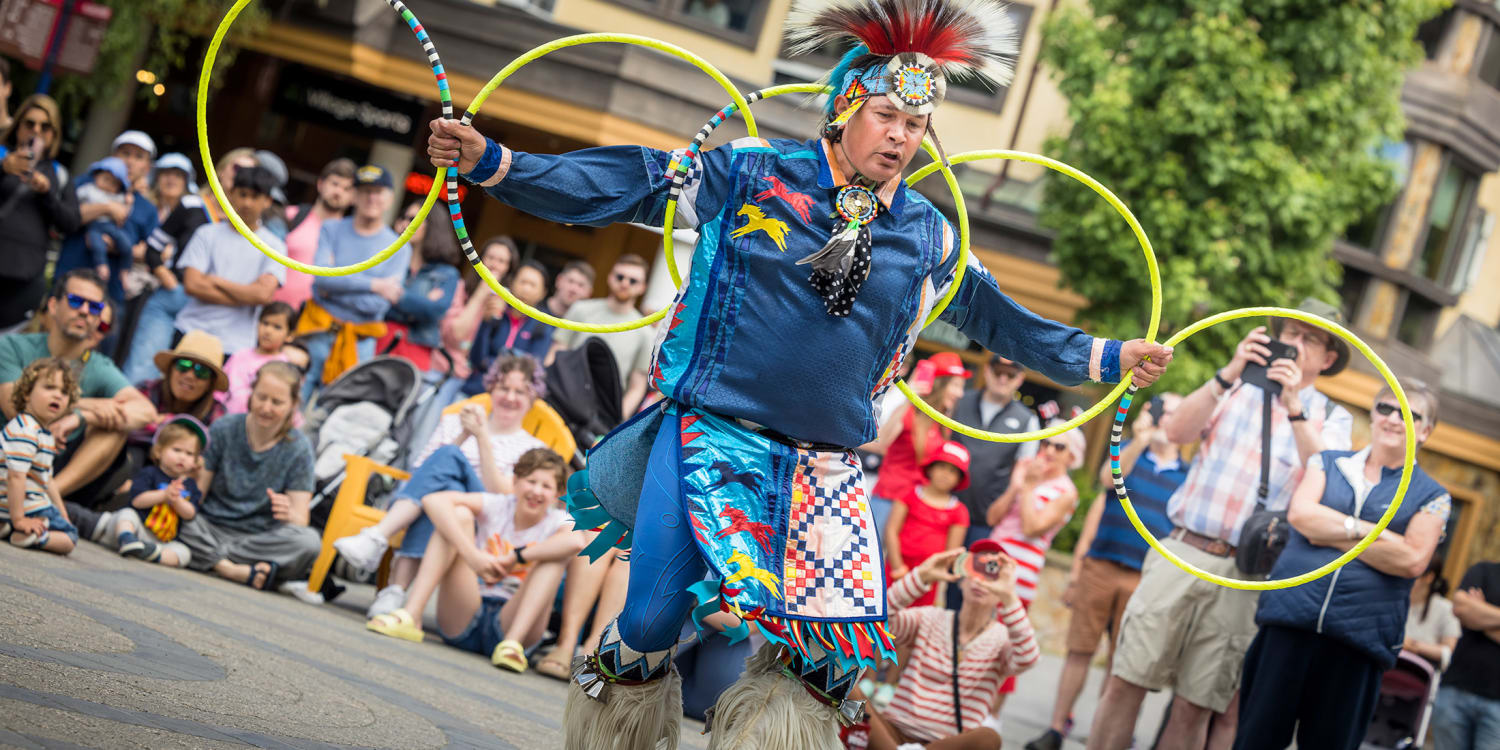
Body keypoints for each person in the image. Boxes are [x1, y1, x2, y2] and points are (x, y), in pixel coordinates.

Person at [427, 0, 1173, 742]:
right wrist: (497, 164)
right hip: (709, 438)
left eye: (915, 126)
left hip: (825, 471)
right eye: (887, 116)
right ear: (847, 107)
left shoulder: (931, 234)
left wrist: (1107, 357)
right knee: (651, 616)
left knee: (826, 663)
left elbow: (1003, 322)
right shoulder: (752, 173)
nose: (901, 136)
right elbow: (626, 183)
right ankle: (617, 724)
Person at [1087, 299, 1353, 750]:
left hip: (1245, 573)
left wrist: (1293, 407)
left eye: (1310, 339)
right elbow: (1176, 432)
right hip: (1182, 550)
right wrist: (1227, 373)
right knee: (1126, 679)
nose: (1295, 343)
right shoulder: (1235, 385)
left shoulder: (1331, 417)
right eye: (1290, 332)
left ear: (1327, 359)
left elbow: (1328, 484)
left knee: (1196, 705)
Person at [1233, 380, 1450, 750]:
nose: (1394, 419)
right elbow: (1301, 516)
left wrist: (1335, 526)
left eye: (1409, 415)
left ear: (1425, 431)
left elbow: (1413, 559)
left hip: (1358, 646)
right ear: (1373, 414)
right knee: (1255, 740)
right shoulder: (1327, 462)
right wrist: (1378, 536)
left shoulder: (1433, 496)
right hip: (1287, 625)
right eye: (1385, 408)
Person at [1027, 394, 1185, 750]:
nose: (1167, 419)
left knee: (1124, 664)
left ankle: (1108, 735)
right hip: (1102, 565)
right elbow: (1105, 479)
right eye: (1163, 411)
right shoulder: (1129, 452)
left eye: (1175, 413)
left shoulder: (1188, 475)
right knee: (1079, 650)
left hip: (1146, 579)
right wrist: (1141, 439)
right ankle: (1056, 728)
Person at [332, 355, 547, 616]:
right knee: (441, 485)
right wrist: (464, 434)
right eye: (504, 388)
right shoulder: (455, 422)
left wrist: (480, 438)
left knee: (449, 459)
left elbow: (503, 495)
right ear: (491, 388)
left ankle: (379, 540)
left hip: (481, 515)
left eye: (520, 391)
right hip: (436, 503)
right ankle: (394, 591)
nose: (510, 397)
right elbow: (422, 471)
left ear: (533, 397)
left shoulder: (533, 448)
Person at [366, 447, 583, 671]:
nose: (537, 491)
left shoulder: (557, 520)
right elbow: (433, 500)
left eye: (546, 486)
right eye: (531, 481)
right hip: (466, 611)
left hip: (513, 620)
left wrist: (516, 556)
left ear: (557, 495)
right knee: (457, 516)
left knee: (554, 558)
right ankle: (412, 615)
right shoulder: (497, 505)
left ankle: (512, 645)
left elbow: (576, 542)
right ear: (515, 481)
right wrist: (473, 556)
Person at [0, 271, 156, 512]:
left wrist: (83, 417)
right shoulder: (10, 346)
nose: (84, 311)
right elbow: (17, 407)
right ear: (53, 305)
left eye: (94, 307)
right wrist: (85, 405)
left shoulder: (100, 366)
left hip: (58, 466)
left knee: (115, 427)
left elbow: (146, 412)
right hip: (12, 453)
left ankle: (44, 501)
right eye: (76, 301)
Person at [863, 544, 1036, 750]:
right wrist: (921, 576)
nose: (981, 580)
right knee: (848, 691)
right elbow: (874, 623)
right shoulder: (930, 617)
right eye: (975, 568)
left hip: (946, 745)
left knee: (989, 737)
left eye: (993, 573)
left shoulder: (1002, 639)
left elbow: (1028, 658)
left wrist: (1009, 596)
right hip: (893, 733)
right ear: (962, 580)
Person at [123, 166, 286, 382]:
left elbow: (263, 295)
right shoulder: (207, 234)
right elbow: (192, 285)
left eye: (255, 197)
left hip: (234, 344)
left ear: (267, 201)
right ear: (231, 195)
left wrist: (215, 280)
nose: (247, 203)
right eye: (242, 194)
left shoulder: (275, 245)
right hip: (189, 332)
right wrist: (244, 295)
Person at [177, 361, 319, 590]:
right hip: (208, 526)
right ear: (251, 394)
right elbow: (197, 497)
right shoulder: (224, 428)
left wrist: (288, 512)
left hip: (257, 539)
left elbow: (301, 520)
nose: (266, 407)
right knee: (177, 516)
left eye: (277, 402)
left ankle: (209, 559)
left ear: (293, 405)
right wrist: (188, 480)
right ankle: (233, 569)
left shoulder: (299, 448)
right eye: (261, 397)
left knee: (308, 542)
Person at [297, 164, 408, 401]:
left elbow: (376, 306)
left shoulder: (399, 247)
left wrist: (334, 283)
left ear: (390, 198)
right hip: (316, 332)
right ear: (354, 195)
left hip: (359, 344)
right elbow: (320, 277)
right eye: (365, 190)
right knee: (293, 405)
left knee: (331, 419)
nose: (371, 197)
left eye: (378, 191)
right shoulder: (331, 229)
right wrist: (375, 285)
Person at [0, 94, 79, 331]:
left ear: (54, 134)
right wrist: (3, 169)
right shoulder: (3, 156)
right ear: (18, 126)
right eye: (30, 123)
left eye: (45, 127)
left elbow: (72, 222)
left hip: (23, 282)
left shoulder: (59, 174)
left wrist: (47, 194)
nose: (36, 131)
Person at [869, 351, 969, 533]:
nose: (960, 394)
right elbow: (883, 441)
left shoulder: (942, 422)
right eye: (955, 386)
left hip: (916, 507)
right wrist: (909, 397)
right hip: (890, 500)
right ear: (939, 385)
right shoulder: (910, 412)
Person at [56, 130, 159, 304]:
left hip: (110, 298)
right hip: (68, 286)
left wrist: (118, 246)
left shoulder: (147, 208)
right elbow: (63, 219)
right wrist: (106, 208)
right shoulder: (85, 183)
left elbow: (153, 252)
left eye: (139, 157)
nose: (130, 161)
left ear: (147, 167)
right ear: (113, 156)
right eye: (125, 153)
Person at [545, 254, 654, 416]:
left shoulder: (646, 332)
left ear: (642, 287)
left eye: (633, 281)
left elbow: (636, 388)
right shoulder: (580, 309)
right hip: (560, 398)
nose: (624, 283)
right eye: (620, 277)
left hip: (601, 415)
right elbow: (555, 354)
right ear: (610, 278)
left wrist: (614, 427)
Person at [951, 355, 1038, 549]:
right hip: (945, 507)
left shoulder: (1027, 420)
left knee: (970, 576)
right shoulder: (960, 401)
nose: (1003, 379)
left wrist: (1002, 508)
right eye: (998, 372)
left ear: (1020, 379)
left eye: (1010, 374)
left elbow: (1022, 472)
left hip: (986, 520)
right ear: (987, 371)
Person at [102, 415, 207, 567]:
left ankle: (152, 553)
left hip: (162, 540)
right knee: (126, 514)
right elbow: (137, 501)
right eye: (176, 450)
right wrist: (164, 495)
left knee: (184, 552)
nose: (182, 457)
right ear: (159, 451)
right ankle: (126, 538)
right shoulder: (150, 473)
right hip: (139, 528)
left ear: (196, 461)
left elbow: (190, 513)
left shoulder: (190, 485)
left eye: (189, 454)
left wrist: (176, 500)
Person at [0, 358, 79, 554]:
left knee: (62, 521)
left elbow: (47, 480)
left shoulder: (42, 433)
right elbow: (15, 476)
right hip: (23, 506)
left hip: (9, 505)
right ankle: (35, 535)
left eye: (64, 392)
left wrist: (63, 513)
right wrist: (19, 518)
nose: (58, 396)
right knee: (70, 537)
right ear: (27, 393)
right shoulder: (27, 431)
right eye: (50, 387)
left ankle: (8, 527)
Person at [885, 440, 972, 607]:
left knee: (916, 619)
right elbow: (891, 530)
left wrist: (929, 575)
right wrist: (897, 566)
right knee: (886, 609)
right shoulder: (909, 494)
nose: (945, 474)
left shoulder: (959, 511)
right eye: (942, 467)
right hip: (897, 569)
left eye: (953, 471)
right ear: (931, 468)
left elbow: (952, 552)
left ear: (959, 479)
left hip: (928, 578)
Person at [381, 204, 461, 372]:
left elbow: (434, 311)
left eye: (413, 219)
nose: (405, 223)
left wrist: (398, 296)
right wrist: (420, 303)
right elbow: (376, 302)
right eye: (403, 217)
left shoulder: (447, 273)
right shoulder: (387, 260)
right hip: (380, 337)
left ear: (433, 225)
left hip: (416, 349)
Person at [1431, 559, 1500, 750]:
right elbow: (1461, 608)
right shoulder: (1483, 570)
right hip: (1455, 689)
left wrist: (1479, 615)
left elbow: (1470, 614)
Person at [461, 260, 554, 395]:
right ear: (512, 283)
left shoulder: (543, 325)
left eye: (533, 285)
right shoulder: (496, 310)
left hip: (511, 397)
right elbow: (476, 359)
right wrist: (486, 322)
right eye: (522, 282)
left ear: (543, 293)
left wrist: (493, 362)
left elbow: (532, 368)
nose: (526, 289)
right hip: (477, 389)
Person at [276, 158, 355, 308]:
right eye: (335, 184)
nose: (338, 192)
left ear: (353, 197)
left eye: (347, 189)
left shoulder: (351, 237)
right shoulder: (291, 215)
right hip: (271, 314)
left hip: (313, 320)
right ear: (320, 184)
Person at [440, 235, 516, 386]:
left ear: (509, 269)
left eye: (502, 261)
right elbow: (454, 335)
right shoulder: (460, 288)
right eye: (491, 258)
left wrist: (492, 321)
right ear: (479, 260)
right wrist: (481, 293)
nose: (494, 265)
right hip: (444, 368)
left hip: (479, 381)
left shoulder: (510, 303)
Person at [220, 303, 299, 414]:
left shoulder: (283, 367)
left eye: (277, 327)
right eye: (265, 323)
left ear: (290, 336)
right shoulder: (239, 355)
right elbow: (221, 388)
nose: (268, 331)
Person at [73, 157, 136, 284]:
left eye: (114, 183)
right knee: (97, 245)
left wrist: (129, 203)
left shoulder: (117, 196)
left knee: (126, 245)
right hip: (95, 226)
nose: (108, 184)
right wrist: (107, 208)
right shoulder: (88, 189)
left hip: (110, 226)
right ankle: (102, 267)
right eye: (106, 179)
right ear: (96, 175)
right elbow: (73, 206)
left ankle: (125, 270)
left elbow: (124, 213)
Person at [1404, 558, 1461, 671]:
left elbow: (1448, 651)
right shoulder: (1395, 600)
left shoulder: (1445, 608)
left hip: (1420, 673)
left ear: (1429, 577)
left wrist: (1412, 645)